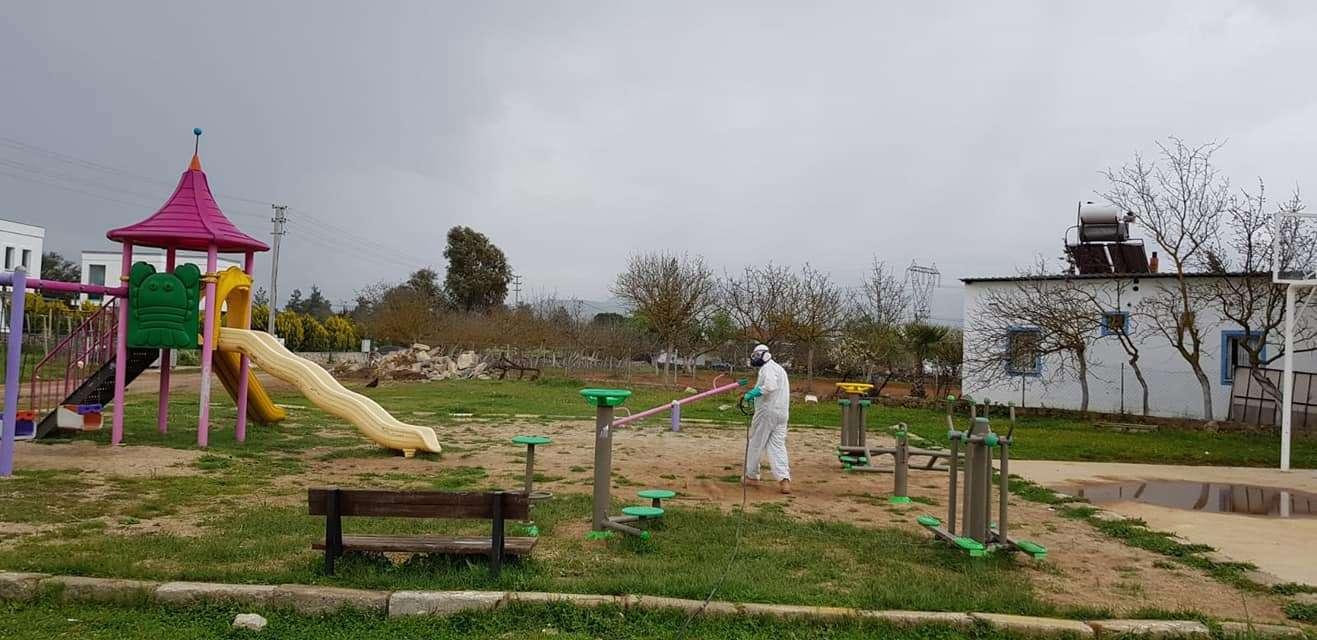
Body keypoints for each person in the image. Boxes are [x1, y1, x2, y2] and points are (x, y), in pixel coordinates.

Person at [742, 344, 791, 494]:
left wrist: (753, 393)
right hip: (782, 414)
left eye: (757, 356)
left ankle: (751, 476)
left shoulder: (767, 368)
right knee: (778, 446)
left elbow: (770, 386)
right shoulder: (779, 369)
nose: (755, 359)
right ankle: (784, 479)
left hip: (767, 413)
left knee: (756, 443)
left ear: (764, 354)